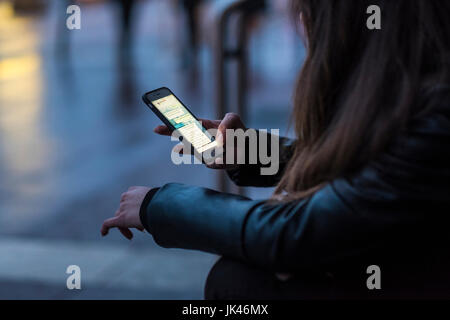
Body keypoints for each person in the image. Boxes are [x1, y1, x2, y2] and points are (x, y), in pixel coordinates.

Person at [101, 0, 450, 299]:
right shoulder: (423, 91)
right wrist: (251, 151)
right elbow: (371, 173)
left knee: (238, 283)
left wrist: (158, 205)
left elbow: (294, 233)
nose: (301, 24)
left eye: (307, 12)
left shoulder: (436, 116)